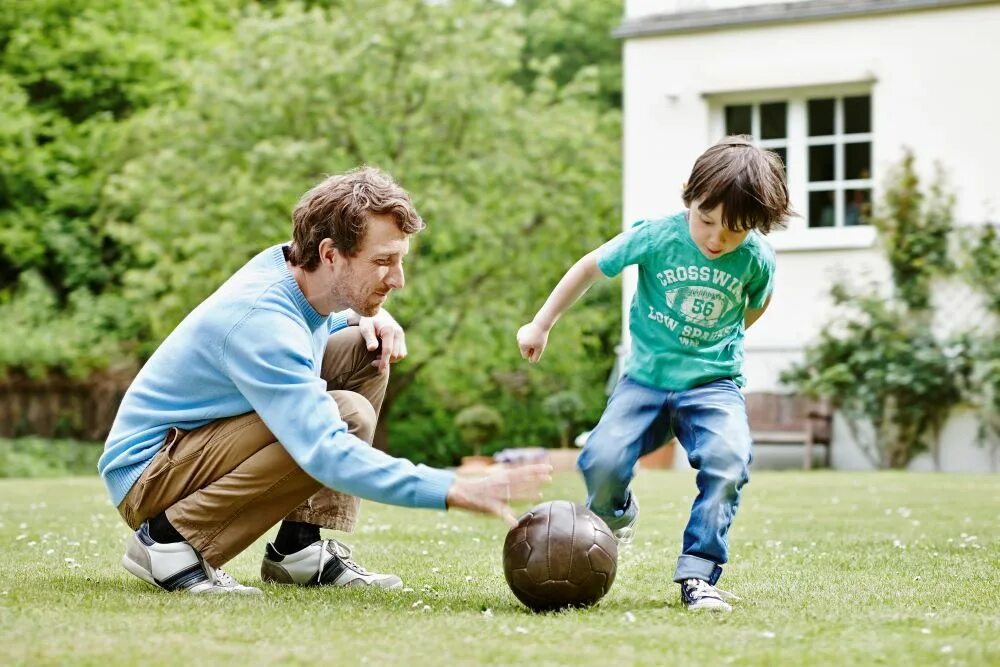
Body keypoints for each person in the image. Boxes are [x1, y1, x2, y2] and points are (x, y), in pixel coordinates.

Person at [99, 166, 550, 595]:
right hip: (151, 475)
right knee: (345, 414)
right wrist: (451, 488)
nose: (399, 279)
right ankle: (167, 542)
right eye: (383, 261)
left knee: (363, 349)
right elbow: (325, 449)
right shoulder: (263, 322)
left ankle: (299, 548)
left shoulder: (298, 276)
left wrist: (364, 316)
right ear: (330, 254)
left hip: (190, 449)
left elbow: (315, 322)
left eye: (400, 260)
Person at [516, 136, 790, 612]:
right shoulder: (657, 237)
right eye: (706, 220)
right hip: (645, 380)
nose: (715, 239)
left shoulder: (756, 259)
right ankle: (617, 513)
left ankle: (699, 575)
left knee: (729, 462)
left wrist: (724, 339)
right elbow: (588, 268)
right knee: (601, 459)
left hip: (713, 384)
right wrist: (541, 323)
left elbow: (757, 304)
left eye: (734, 231)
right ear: (689, 196)